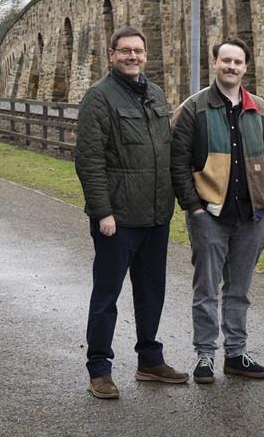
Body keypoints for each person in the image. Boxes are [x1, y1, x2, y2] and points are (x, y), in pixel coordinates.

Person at [74, 27, 188, 399]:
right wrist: (103, 212)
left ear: (146, 55)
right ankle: (100, 370)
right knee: (107, 294)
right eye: (125, 51)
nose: (133, 57)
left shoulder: (155, 94)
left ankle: (149, 360)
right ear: (112, 55)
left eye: (138, 51)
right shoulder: (98, 98)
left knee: (151, 291)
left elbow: (168, 152)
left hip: (156, 215)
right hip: (118, 219)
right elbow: (89, 160)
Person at [170, 36, 264, 384]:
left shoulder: (263, 109)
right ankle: (205, 355)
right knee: (206, 289)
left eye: (237, 62)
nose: (231, 67)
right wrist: (193, 207)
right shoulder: (194, 108)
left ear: (245, 67)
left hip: (252, 216)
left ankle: (235, 354)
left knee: (239, 290)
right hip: (209, 215)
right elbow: (178, 162)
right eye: (226, 61)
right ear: (215, 63)